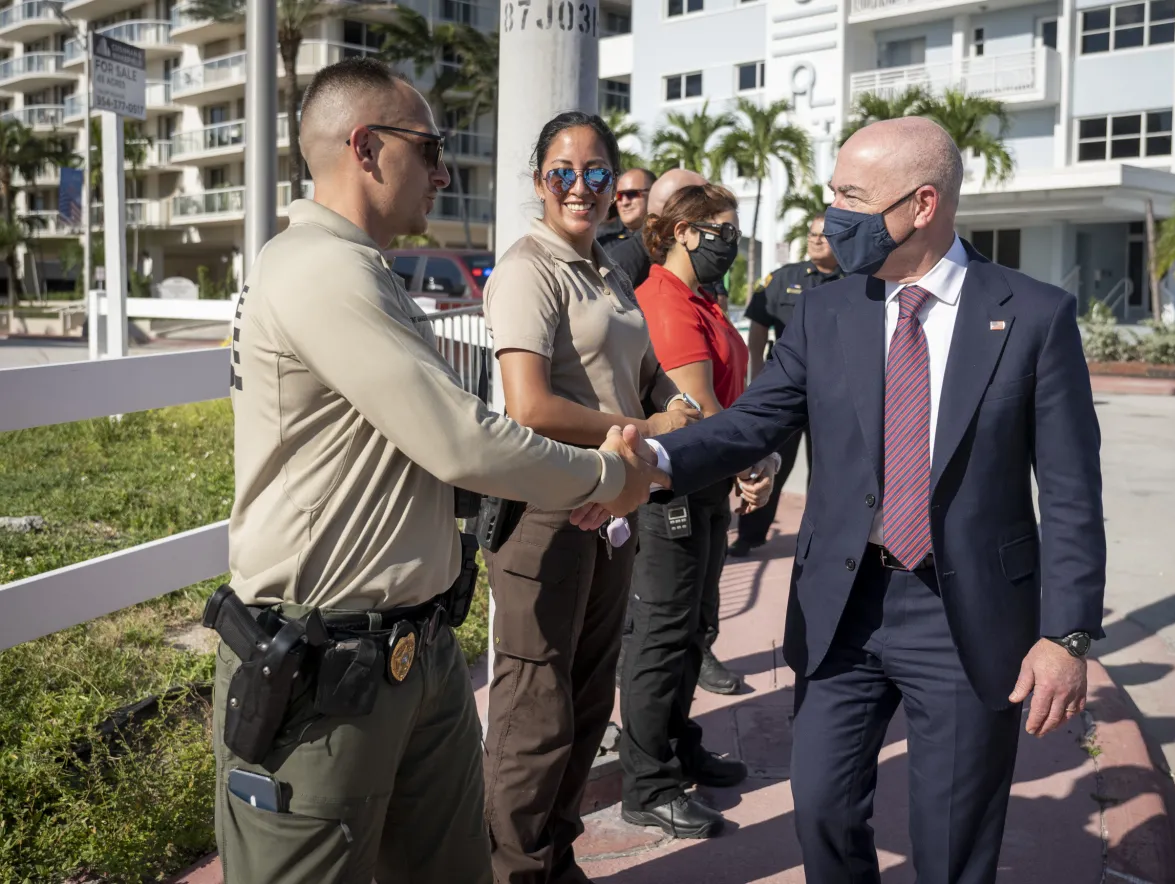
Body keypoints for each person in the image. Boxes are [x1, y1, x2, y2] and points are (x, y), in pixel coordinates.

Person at [212, 59, 659, 884]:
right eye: (431, 148)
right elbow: (465, 439)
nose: (444, 171)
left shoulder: (358, 269)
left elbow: (433, 446)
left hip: (409, 654)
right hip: (326, 673)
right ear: (367, 148)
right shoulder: (320, 268)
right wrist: (606, 477)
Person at [640, 117, 1106, 882]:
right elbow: (754, 422)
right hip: (842, 607)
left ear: (922, 205)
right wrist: (648, 461)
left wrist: (1067, 634)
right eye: (833, 195)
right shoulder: (827, 311)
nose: (833, 217)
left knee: (950, 843)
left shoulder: (1033, 315)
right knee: (819, 806)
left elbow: (1071, 492)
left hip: (962, 619)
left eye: (853, 198)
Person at [480, 113, 699, 884]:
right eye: (562, 172)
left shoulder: (607, 269)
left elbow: (643, 375)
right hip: (548, 511)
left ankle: (557, 860)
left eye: (598, 172)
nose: (581, 186)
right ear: (538, 179)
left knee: (584, 699)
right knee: (533, 714)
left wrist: (675, 409)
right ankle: (513, 870)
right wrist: (643, 427)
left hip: (611, 506)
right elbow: (530, 406)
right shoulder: (528, 269)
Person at [617, 182, 778, 839]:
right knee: (661, 636)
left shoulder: (706, 300)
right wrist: (750, 460)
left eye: (734, 231)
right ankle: (647, 783)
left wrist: (749, 461)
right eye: (719, 229)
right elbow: (699, 402)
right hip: (671, 491)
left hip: (706, 485)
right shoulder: (663, 297)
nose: (729, 243)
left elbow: (731, 397)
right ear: (681, 231)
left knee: (694, 628)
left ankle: (680, 746)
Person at [728, 214, 845, 558]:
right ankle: (749, 535)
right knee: (768, 460)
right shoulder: (784, 278)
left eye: (824, 235)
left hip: (835, 393)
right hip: (789, 390)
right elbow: (759, 328)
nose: (816, 240)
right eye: (811, 234)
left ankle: (822, 538)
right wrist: (758, 375)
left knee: (828, 469)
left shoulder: (858, 280)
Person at [595, 168, 655, 286]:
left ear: (654, 193)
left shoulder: (671, 238)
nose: (624, 202)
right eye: (619, 196)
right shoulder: (602, 240)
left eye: (632, 194)